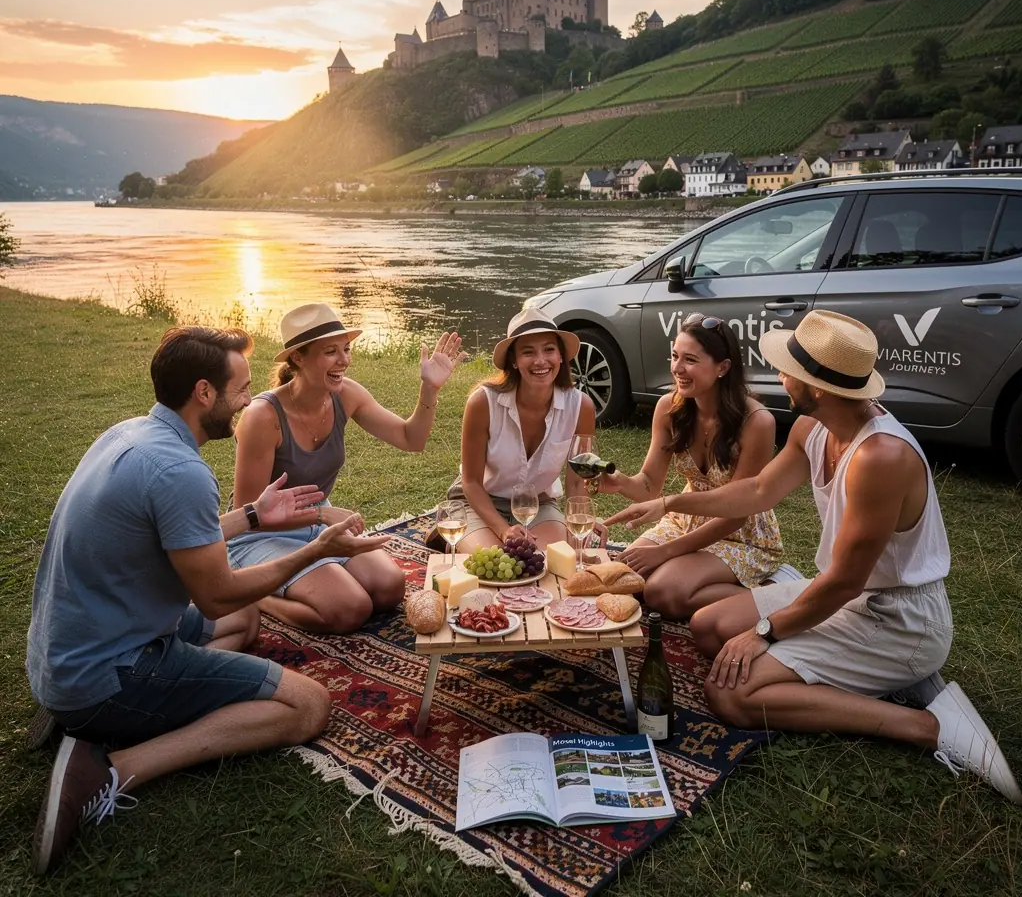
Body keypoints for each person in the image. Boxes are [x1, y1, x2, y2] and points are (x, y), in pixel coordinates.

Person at [606, 310, 1022, 804]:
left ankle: (928, 725)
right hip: (846, 594)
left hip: (897, 617)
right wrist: (671, 502)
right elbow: (757, 491)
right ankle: (872, 673)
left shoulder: (880, 458)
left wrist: (765, 633)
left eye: (787, 369)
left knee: (731, 695)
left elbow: (845, 582)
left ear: (817, 386)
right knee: (706, 628)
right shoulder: (813, 428)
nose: (780, 376)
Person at [26, 326, 381, 874]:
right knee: (308, 704)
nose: (247, 402)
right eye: (239, 390)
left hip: (65, 652)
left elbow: (180, 541)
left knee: (249, 616)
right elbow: (214, 597)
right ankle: (111, 768)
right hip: (109, 672)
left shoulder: (130, 434)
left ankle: (89, 719)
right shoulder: (182, 471)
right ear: (204, 393)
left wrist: (255, 517)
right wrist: (313, 553)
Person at [229, 302, 468, 633]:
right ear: (298, 357)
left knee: (389, 588)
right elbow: (249, 513)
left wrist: (430, 389)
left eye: (346, 349)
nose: (344, 360)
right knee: (349, 609)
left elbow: (410, 439)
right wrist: (323, 515)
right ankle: (251, 593)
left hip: (315, 521)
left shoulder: (345, 395)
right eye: (331, 352)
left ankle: (310, 573)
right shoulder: (262, 416)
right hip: (261, 533)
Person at [599, 312, 783, 618]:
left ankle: (772, 598)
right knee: (623, 580)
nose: (677, 368)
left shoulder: (757, 422)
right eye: (674, 356)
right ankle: (687, 577)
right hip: (685, 520)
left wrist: (665, 552)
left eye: (690, 360)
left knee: (661, 591)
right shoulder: (669, 408)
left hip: (741, 533)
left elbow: (737, 513)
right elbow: (649, 486)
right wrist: (621, 482)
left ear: (723, 367)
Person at [449, 308, 603, 552]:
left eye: (549, 349)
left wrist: (581, 517)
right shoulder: (482, 403)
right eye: (528, 352)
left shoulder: (581, 407)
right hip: (480, 500)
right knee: (497, 561)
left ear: (561, 356)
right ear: (514, 360)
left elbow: (576, 483)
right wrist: (503, 530)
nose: (540, 360)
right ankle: (456, 536)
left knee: (547, 559)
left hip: (538, 502)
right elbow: (471, 482)